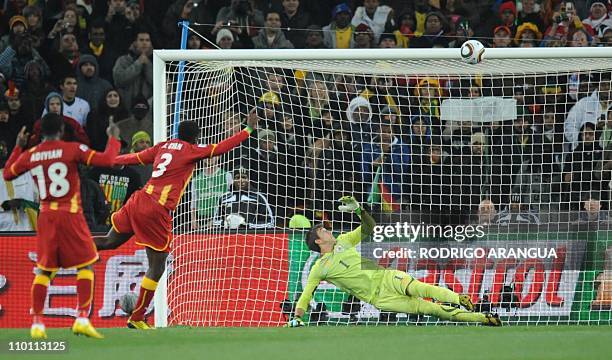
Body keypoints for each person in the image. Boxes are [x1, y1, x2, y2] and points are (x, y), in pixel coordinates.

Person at [93, 111, 259, 329]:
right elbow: (221, 148)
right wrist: (248, 129)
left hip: (138, 200)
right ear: (196, 138)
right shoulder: (191, 150)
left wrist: (112, 158)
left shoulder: (163, 146)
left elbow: (135, 158)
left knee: (109, 241)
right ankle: (137, 317)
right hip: (155, 209)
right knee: (157, 266)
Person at [286, 196, 501, 327]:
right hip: (379, 298)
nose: (328, 230)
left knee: (422, 287)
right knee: (428, 309)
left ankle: (460, 298)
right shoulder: (319, 268)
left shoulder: (343, 240)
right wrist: (296, 317)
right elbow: (306, 295)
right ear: (317, 240)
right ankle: (482, 319)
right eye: (323, 230)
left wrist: (360, 210)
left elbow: (369, 228)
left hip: (386, 276)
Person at [3, 114, 121, 339]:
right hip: (71, 213)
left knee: (45, 270)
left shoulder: (32, 154)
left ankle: (37, 323)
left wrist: (18, 147)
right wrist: (113, 138)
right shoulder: (72, 149)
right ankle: (82, 318)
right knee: (86, 265)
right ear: (62, 130)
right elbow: (108, 161)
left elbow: (8, 174)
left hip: (46, 215)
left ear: (40, 133)